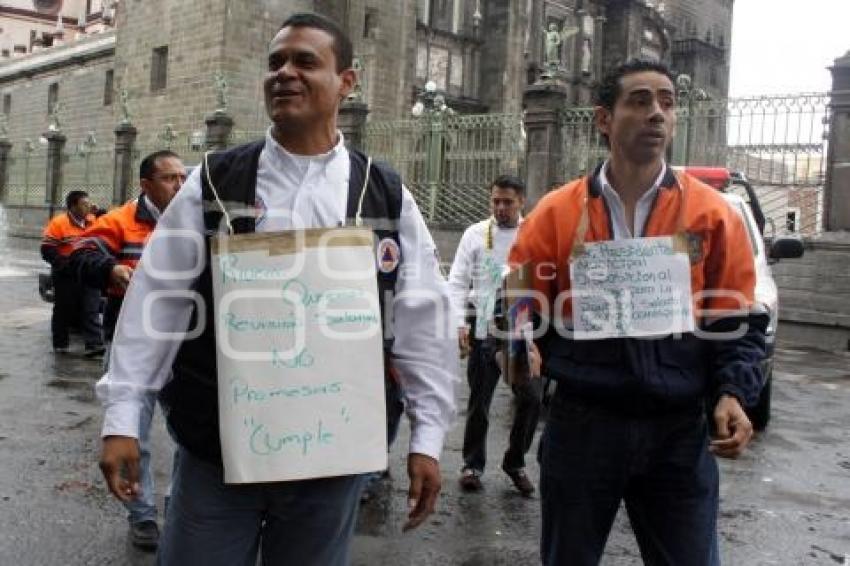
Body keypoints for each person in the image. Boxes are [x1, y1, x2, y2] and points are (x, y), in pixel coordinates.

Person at [95, 12, 456, 565]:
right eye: (275, 62)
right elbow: (158, 303)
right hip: (217, 453)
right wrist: (124, 417)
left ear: (347, 83)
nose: (284, 73)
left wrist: (427, 437)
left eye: (305, 61)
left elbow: (420, 320)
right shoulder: (214, 182)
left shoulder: (383, 193)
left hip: (332, 460)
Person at [508, 59, 768, 565]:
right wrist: (519, 345)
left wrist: (734, 392)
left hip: (677, 433)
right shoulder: (556, 212)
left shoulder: (712, 214)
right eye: (641, 100)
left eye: (667, 103)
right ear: (604, 119)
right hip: (583, 426)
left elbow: (736, 319)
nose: (657, 113)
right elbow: (518, 298)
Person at [71, 150, 186, 550]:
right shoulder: (122, 220)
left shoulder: (197, 219)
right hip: (132, 346)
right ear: (146, 185)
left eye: (183, 177)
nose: (180, 185)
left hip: (185, 349)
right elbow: (82, 252)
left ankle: (179, 508)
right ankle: (142, 516)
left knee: (190, 434)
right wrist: (110, 269)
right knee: (134, 436)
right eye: (170, 178)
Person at [448, 175, 542, 497]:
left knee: (530, 397)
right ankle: (472, 465)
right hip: (483, 323)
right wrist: (459, 323)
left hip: (521, 326)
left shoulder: (534, 234)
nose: (501, 208)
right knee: (480, 400)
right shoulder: (474, 235)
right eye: (496, 201)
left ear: (521, 203)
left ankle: (515, 462)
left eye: (508, 202)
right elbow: (458, 282)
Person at [40, 190, 104, 356]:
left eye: (89, 203)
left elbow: (110, 222)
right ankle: (60, 345)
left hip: (89, 271)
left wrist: (99, 211)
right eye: (84, 204)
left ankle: (94, 345)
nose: (88, 206)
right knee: (64, 309)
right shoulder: (58, 223)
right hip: (66, 274)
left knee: (91, 307)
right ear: (73, 206)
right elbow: (47, 249)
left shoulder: (93, 220)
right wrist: (63, 265)